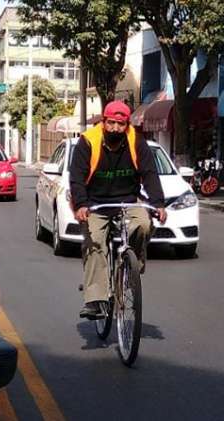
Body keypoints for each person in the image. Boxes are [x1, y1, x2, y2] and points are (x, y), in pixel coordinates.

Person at [69, 100, 167, 320]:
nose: (115, 128)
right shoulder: (88, 142)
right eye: (111, 123)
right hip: (95, 203)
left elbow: (150, 174)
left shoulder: (136, 142)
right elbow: (76, 178)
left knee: (143, 224)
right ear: (103, 121)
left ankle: (130, 268)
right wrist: (81, 204)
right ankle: (95, 300)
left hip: (128, 200)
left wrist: (158, 203)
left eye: (120, 124)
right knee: (94, 242)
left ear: (127, 124)